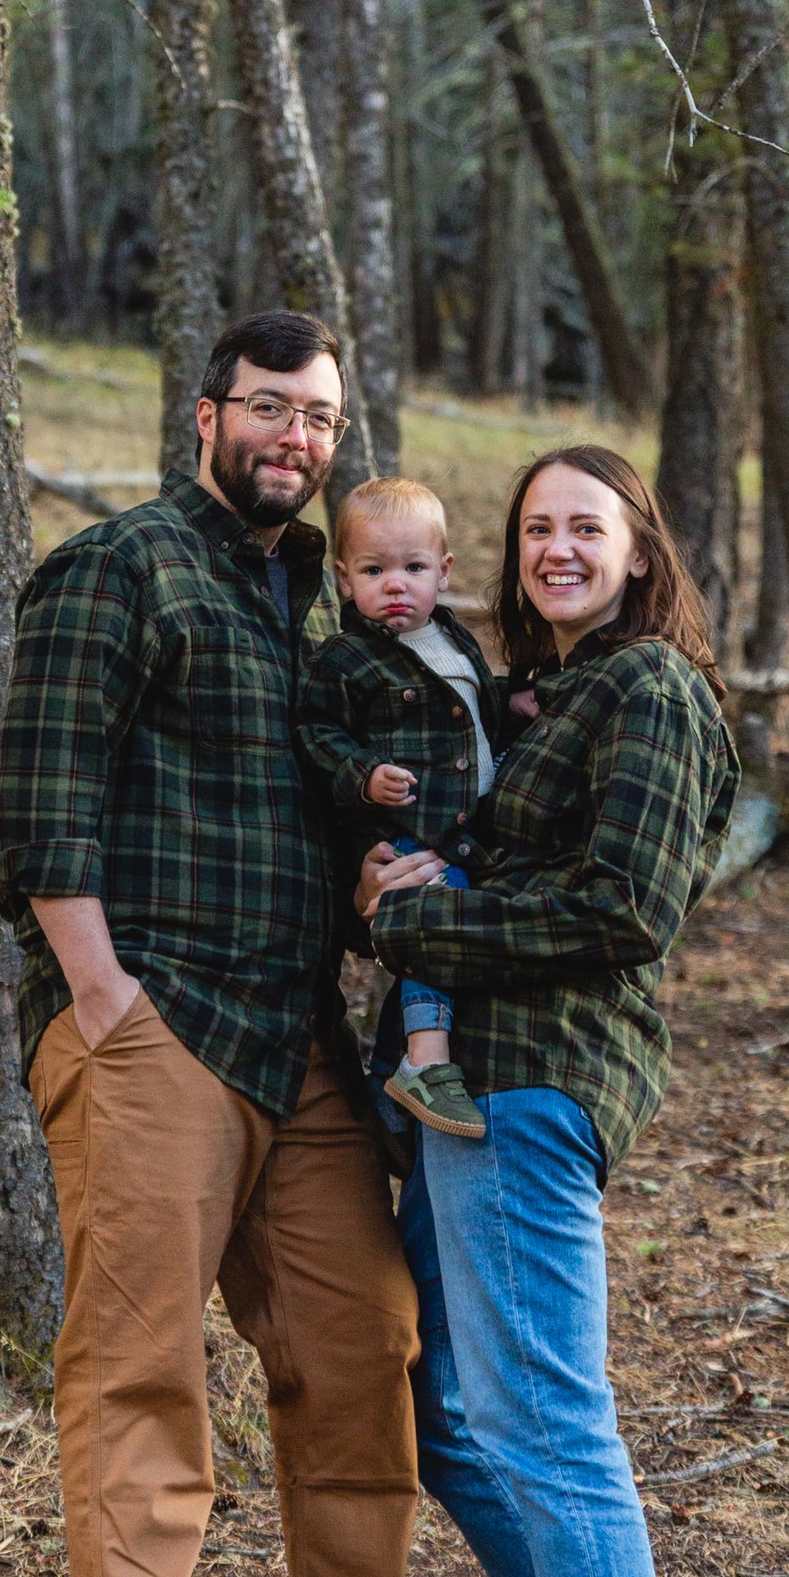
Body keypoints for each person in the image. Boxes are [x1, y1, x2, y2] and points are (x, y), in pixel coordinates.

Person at [0, 311, 503, 1577]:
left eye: (320, 417)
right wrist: (103, 1001)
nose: (295, 436)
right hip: (157, 1029)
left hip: (301, 1039)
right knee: (140, 1369)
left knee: (365, 1349)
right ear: (207, 414)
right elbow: (36, 801)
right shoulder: (119, 568)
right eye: (270, 408)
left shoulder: (321, 610)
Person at [357, 446, 741, 1577]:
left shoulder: (651, 691)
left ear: (642, 551)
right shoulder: (552, 696)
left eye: (587, 527)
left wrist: (421, 932)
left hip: (528, 1080)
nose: (556, 549)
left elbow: (625, 913)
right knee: (450, 1415)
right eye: (534, 529)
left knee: (547, 1421)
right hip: (475, 1089)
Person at [297, 477, 509, 1140]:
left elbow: (474, 711)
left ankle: (394, 1091)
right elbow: (314, 731)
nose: (396, 584)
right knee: (434, 928)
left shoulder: (454, 640)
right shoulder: (347, 659)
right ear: (343, 578)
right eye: (374, 569)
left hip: (471, 833)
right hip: (412, 839)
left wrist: (515, 706)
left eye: (413, 568)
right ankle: (424, 1060)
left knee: (452, 944)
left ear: (443, 573)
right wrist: (363, 776)